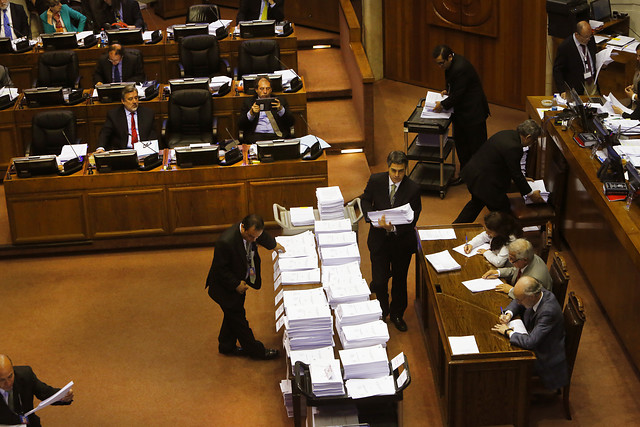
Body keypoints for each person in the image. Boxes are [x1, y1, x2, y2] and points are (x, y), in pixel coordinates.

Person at [205, 214, 285, 360]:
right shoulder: (226, 242)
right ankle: (256, 351)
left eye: (256, 237)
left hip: (238, 280)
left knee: (231, 315)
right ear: (243, 227)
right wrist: (236, 284)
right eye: (251, 237)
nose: (254, 240)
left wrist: (273, 245)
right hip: (225, 288)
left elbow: (260, 236)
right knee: (238, 318)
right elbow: (220, 270)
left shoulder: (250, 232)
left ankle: (226, 346)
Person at [360, 150, 422, 332]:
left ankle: (396, 314)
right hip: (379, 241)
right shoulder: (376, 180)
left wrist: (393, 228)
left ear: (406, 169)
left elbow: (414, 216)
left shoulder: (413, 189)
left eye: (401, 171)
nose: (396, 175)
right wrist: (370, 217)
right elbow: (365, 200)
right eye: (393, 170)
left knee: (400, 281)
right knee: (379, 281)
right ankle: (382, 310)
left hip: (401, 243)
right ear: (388, 167)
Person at [453, 119, 545, 224]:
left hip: (474, 174)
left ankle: (454, 229)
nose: (531, 144)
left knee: (476, 204)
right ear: (528, 137)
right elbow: (516, 174)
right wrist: (531, 194)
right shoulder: (514, 147)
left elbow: (507, 166)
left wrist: (522, 180)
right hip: (485, 182)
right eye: (533, 141)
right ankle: (504, 237)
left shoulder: (507, 134)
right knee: (504, 211)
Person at [491, 277, 568, 390]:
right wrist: (509, 314)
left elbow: (530, 342)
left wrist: (508, 332)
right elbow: (518, 301)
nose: (517, 301)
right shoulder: (537, 293)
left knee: (503, 363)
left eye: (520, 300)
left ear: (531, 297)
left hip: (544, 357)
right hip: (533, 334)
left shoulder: (548, 312)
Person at [432, 44, 490, 175]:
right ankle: (466, 173)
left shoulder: (460, 68)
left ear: (450, 57)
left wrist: (442, 104)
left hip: (473, 113)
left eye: (441, 63)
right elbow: (454, 85)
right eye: (437, 64)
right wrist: (448, 90)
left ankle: (479, 177)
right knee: (462, 144)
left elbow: (459, 94)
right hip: (461, 113)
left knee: (476, 147)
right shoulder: (451, 65)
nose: (439, 67)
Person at [0, 354, 74, 426]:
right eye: (2, 380)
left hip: (28, 422)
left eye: (10, 376)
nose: (8, 383)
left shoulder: (25, 375)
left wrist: (63, 395)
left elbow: (45, 393)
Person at [483, 238, 552, 299]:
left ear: (525, 260)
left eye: (512, 259)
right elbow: (516, 270)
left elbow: (529, 299)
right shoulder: (529, 257)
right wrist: (498, 272)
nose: (510, 261)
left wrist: (511, 290)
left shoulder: (534, 279)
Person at [97, 84, 156, 151]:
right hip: (123, 151)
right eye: (130, 99)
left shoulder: (148, 114)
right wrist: (101, 148)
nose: (134, 102)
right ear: (123, 101)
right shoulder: (114, 115)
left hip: (143, 150)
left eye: (136, 98)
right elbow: (105, 133)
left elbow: (153, 137)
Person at [238, 76, 294, 143]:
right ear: (256, 90)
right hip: (256, 137)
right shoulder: (248, 102)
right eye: (262, 89)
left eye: (268, 88)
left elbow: (291, 122)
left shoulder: (280, 100)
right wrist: (251, 113)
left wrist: (281, 110)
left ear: (271, 89)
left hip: (277, 136)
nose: (265, 92)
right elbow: (240, 125)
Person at [553, 20, 597, 96]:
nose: (588, 39)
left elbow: (593, 56)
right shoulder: (565, 47)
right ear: (577, 35)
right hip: (577, 86)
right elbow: (557, 70)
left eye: (590, 36)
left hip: (592, 82)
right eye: (586, 37)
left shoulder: (590, 39)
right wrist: (562, 90)